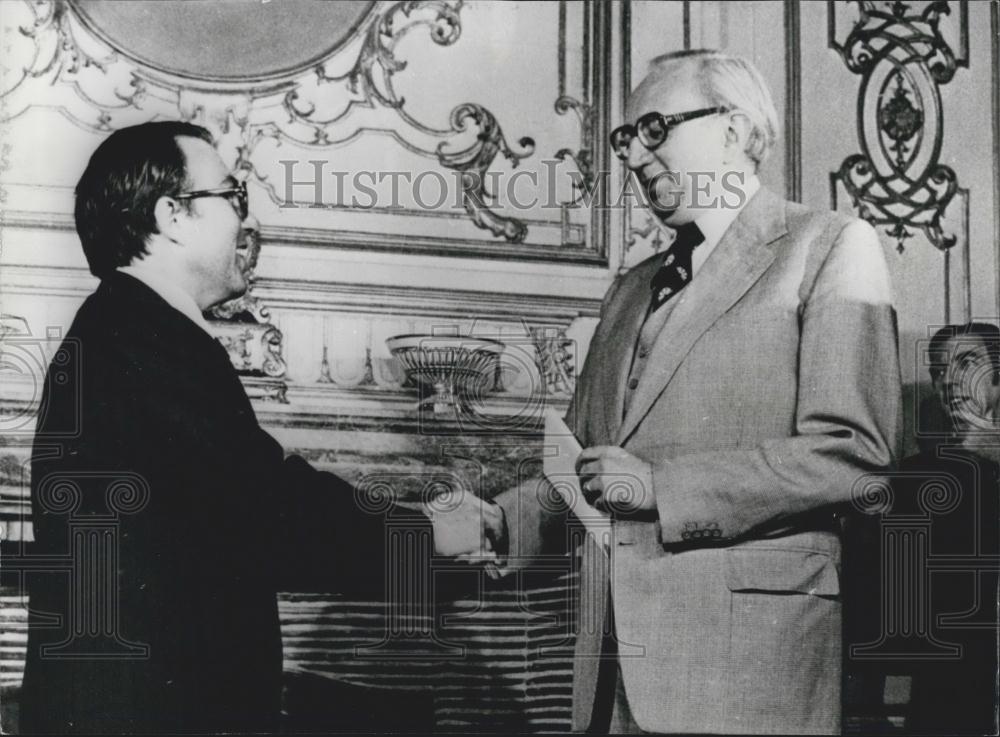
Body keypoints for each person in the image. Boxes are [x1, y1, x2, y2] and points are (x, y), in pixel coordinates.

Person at [20, 121, 503, 734]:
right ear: (172, 215)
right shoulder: (145, 341)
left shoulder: (127, 329)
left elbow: (243, 510)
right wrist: (428, 532)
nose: (248, 222)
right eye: (233, 197)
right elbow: (271, 513)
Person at [493, 49, 902, 734]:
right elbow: (581, 463)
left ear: (735, 132)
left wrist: (664, 487)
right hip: (614, 667)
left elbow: (854, 455)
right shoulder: (630, 286)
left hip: (748, 668)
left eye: (655, 128)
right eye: (627, 138)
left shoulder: (830, 247)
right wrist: (500, 523)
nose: (634, 154)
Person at [893, 322, 999, 735]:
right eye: (939, 370)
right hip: (945, 697)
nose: (950, 380)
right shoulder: (915, 481)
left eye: (967, 362)